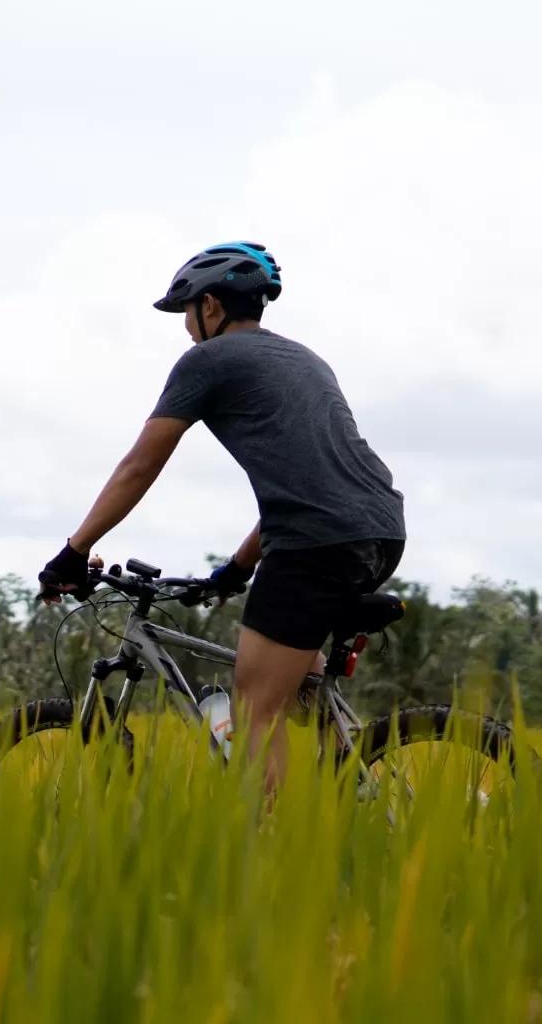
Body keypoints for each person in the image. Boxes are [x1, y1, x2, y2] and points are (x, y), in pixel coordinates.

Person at [38, 243, 405, 789]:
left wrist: (73, 550)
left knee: (254, 709)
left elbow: (139, 465)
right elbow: (308, 486)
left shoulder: (207, 361)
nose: (187, 328)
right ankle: (351, 801)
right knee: (300, 695)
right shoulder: (306, 359)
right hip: (379, 529)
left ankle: (271, 852)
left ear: (210, 306)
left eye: (187, 313)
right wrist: (233, 571)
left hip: (314, 543)